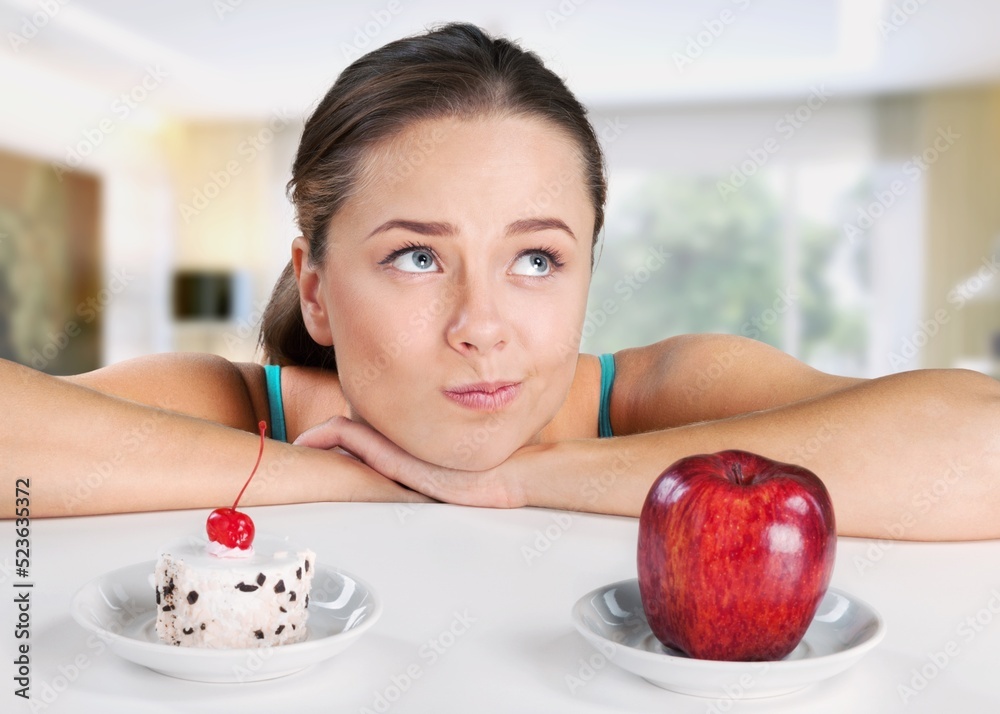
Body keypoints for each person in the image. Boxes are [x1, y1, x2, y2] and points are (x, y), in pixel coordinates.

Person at [3, 23, 998, 539]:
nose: (482, 326)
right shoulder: (230, 407)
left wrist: (520, 479)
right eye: (417, 256)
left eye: (535, 259)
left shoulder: (658, 397)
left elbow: (980, 442)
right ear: (314, 288)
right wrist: (325, 478)